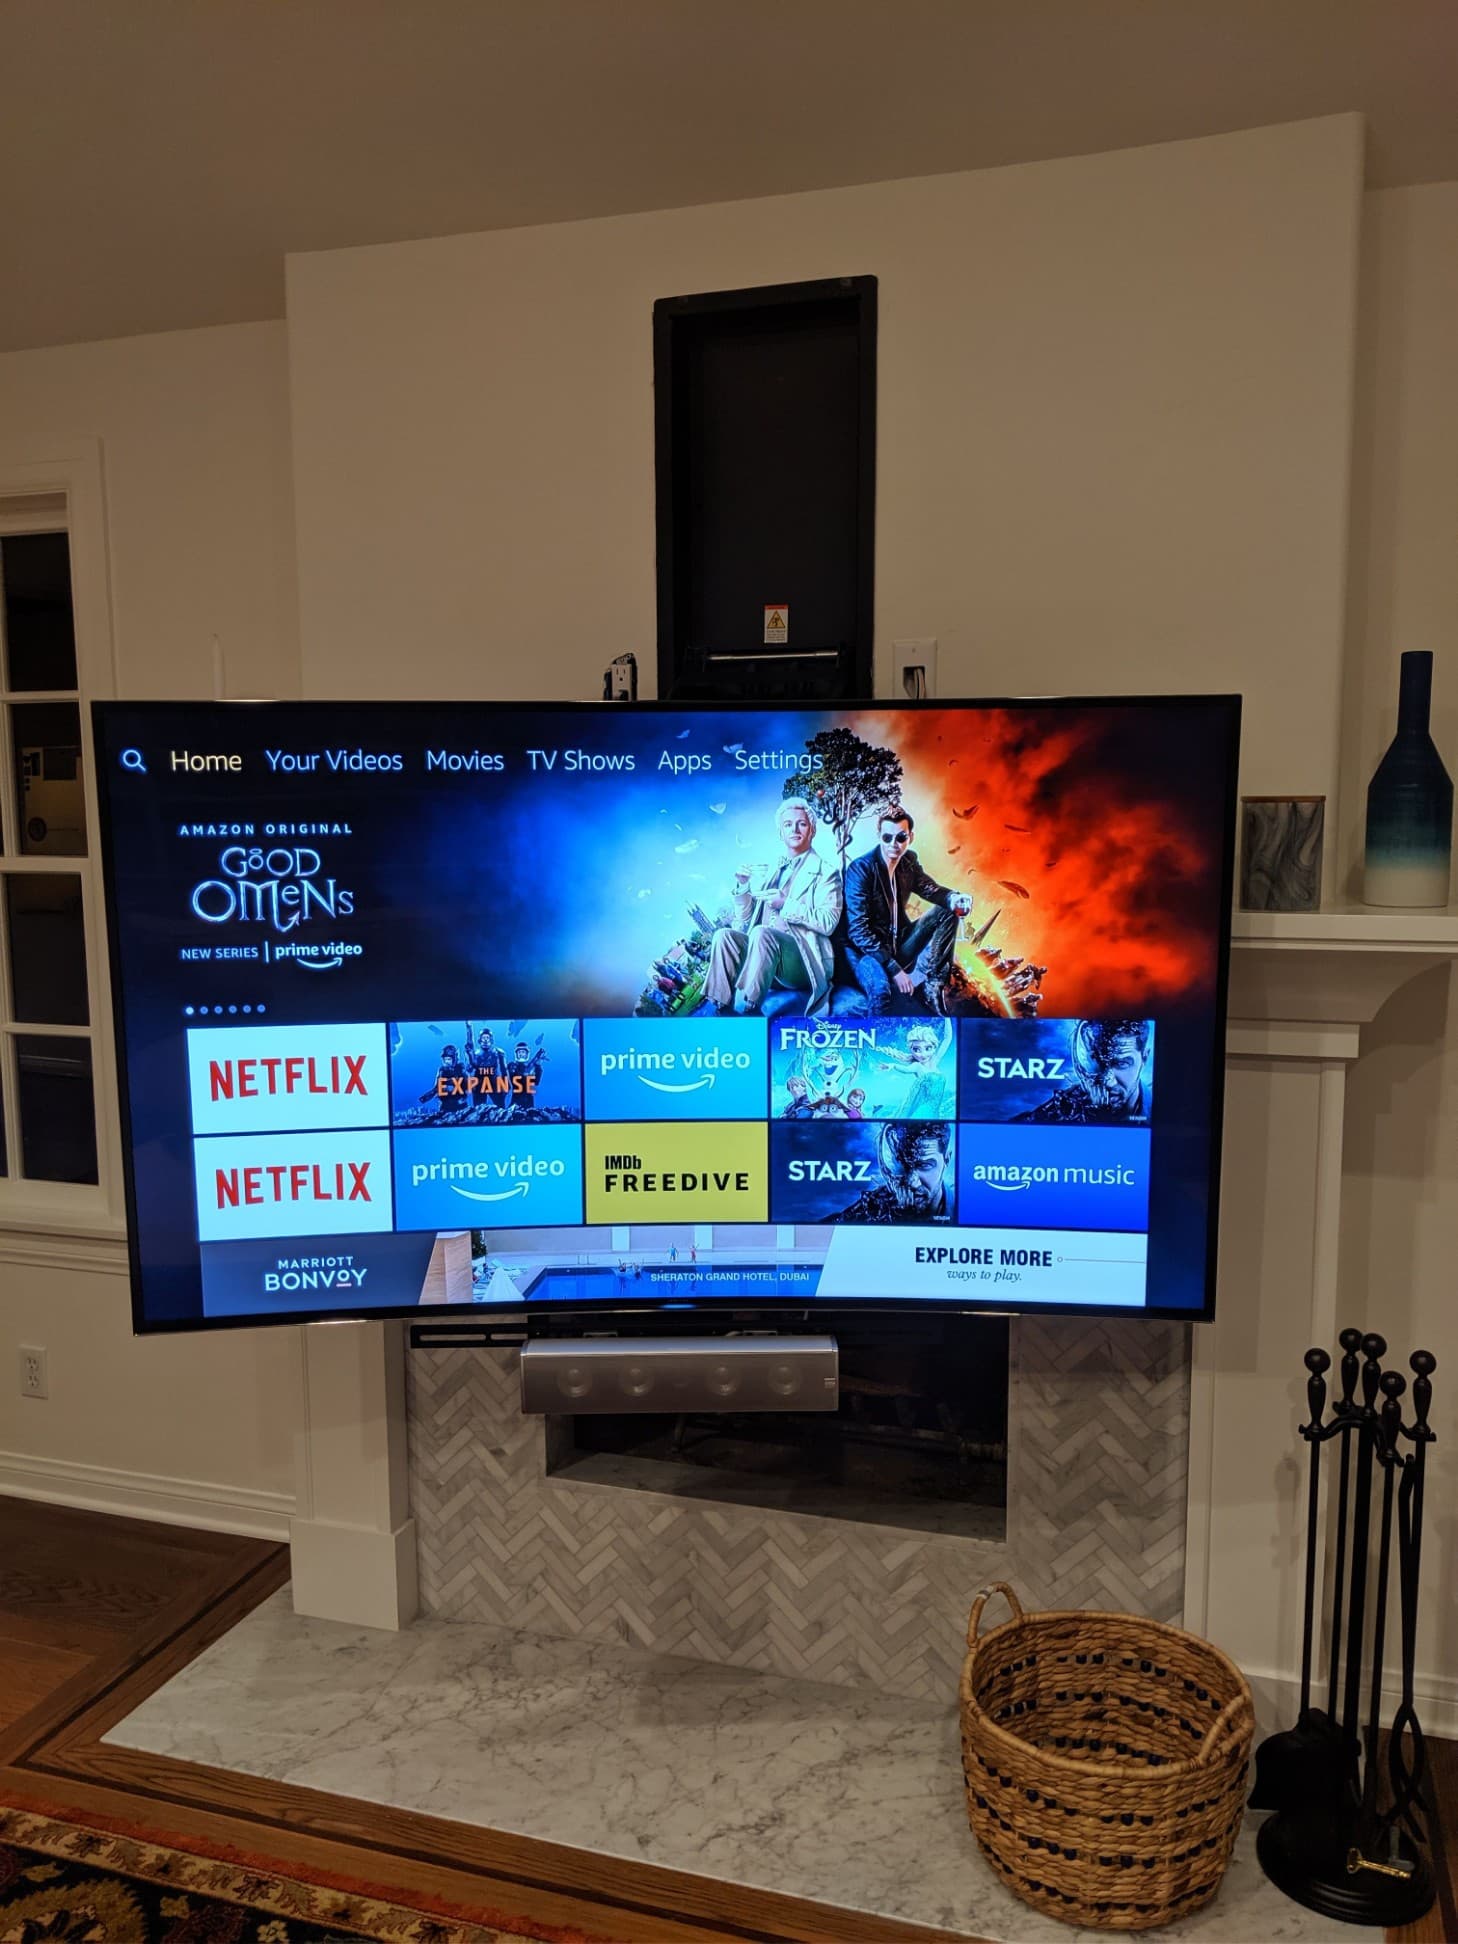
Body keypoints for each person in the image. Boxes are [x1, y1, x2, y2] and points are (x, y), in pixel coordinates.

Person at [704, 798, 843, 1017]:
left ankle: (751, 1009)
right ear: (781, 833)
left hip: (803, 964)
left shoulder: (826, 872)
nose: (795, 829)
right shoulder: (771, 870)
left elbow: (828, 923)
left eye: (802, 824)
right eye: (788, 824)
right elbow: (744, 921)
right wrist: (742, 886)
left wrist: (786, 904)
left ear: (812, 830)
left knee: (762, 934)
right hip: (765, 963)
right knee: (724, 936)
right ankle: (723, 1008)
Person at [839, 805, 972, 1015]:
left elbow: (930, 889)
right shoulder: (861, 869)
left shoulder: (908, 862)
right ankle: (878, 1039)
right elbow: (858, 931)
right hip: (865, 953)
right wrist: (894, 969)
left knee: (947, 909)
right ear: (879, 836)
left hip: (897, 945)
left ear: (910, 837)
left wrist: (953, 898)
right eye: (887, 837)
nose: (894, 844)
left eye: (901, 837)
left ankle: (933, 986)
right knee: (881, 992)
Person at [1016, 1019, 1152, 1125]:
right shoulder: (1063, 1108)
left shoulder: (1162, 1112)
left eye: (1122, 1064)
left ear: (1144, 1058)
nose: (1109, 1082)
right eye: (1098, 1064)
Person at [830, 1121, 954, 1224]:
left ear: (946, 1159)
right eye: (902, 1167)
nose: (913, 1184)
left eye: (924, 1165)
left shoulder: (967, 1209)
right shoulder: (871, 1207)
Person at [875, 1017, 955, 1117]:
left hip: (934, 1109)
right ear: (911, 1050)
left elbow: (947, 1038)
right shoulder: (917, 1066)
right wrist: (892, 1066)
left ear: (934, 1047)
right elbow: (906, 1070)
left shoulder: (935, 1060)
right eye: (917, 1049)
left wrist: (946, 1017)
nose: (922, 1054)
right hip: (923, 1109)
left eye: (927, 1048)